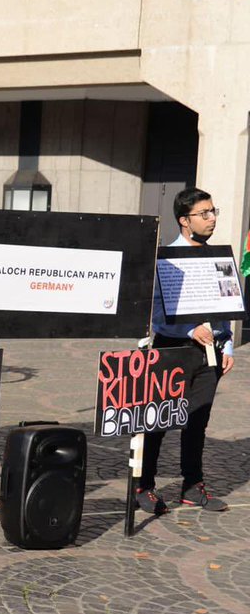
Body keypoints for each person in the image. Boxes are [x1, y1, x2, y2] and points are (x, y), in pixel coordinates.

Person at [137, 188, 234, 515]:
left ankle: (192, 487)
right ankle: (143, 486)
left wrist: (228, 342)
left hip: (210, 355)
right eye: (203, 214)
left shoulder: (217, 255)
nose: (211, 218)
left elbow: (225, 304)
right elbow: (156, 314)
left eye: (213, 211)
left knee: (197, 422)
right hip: (173, 348)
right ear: (184, 220)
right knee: (158, 420)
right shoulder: (166, 257)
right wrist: (190, 330)